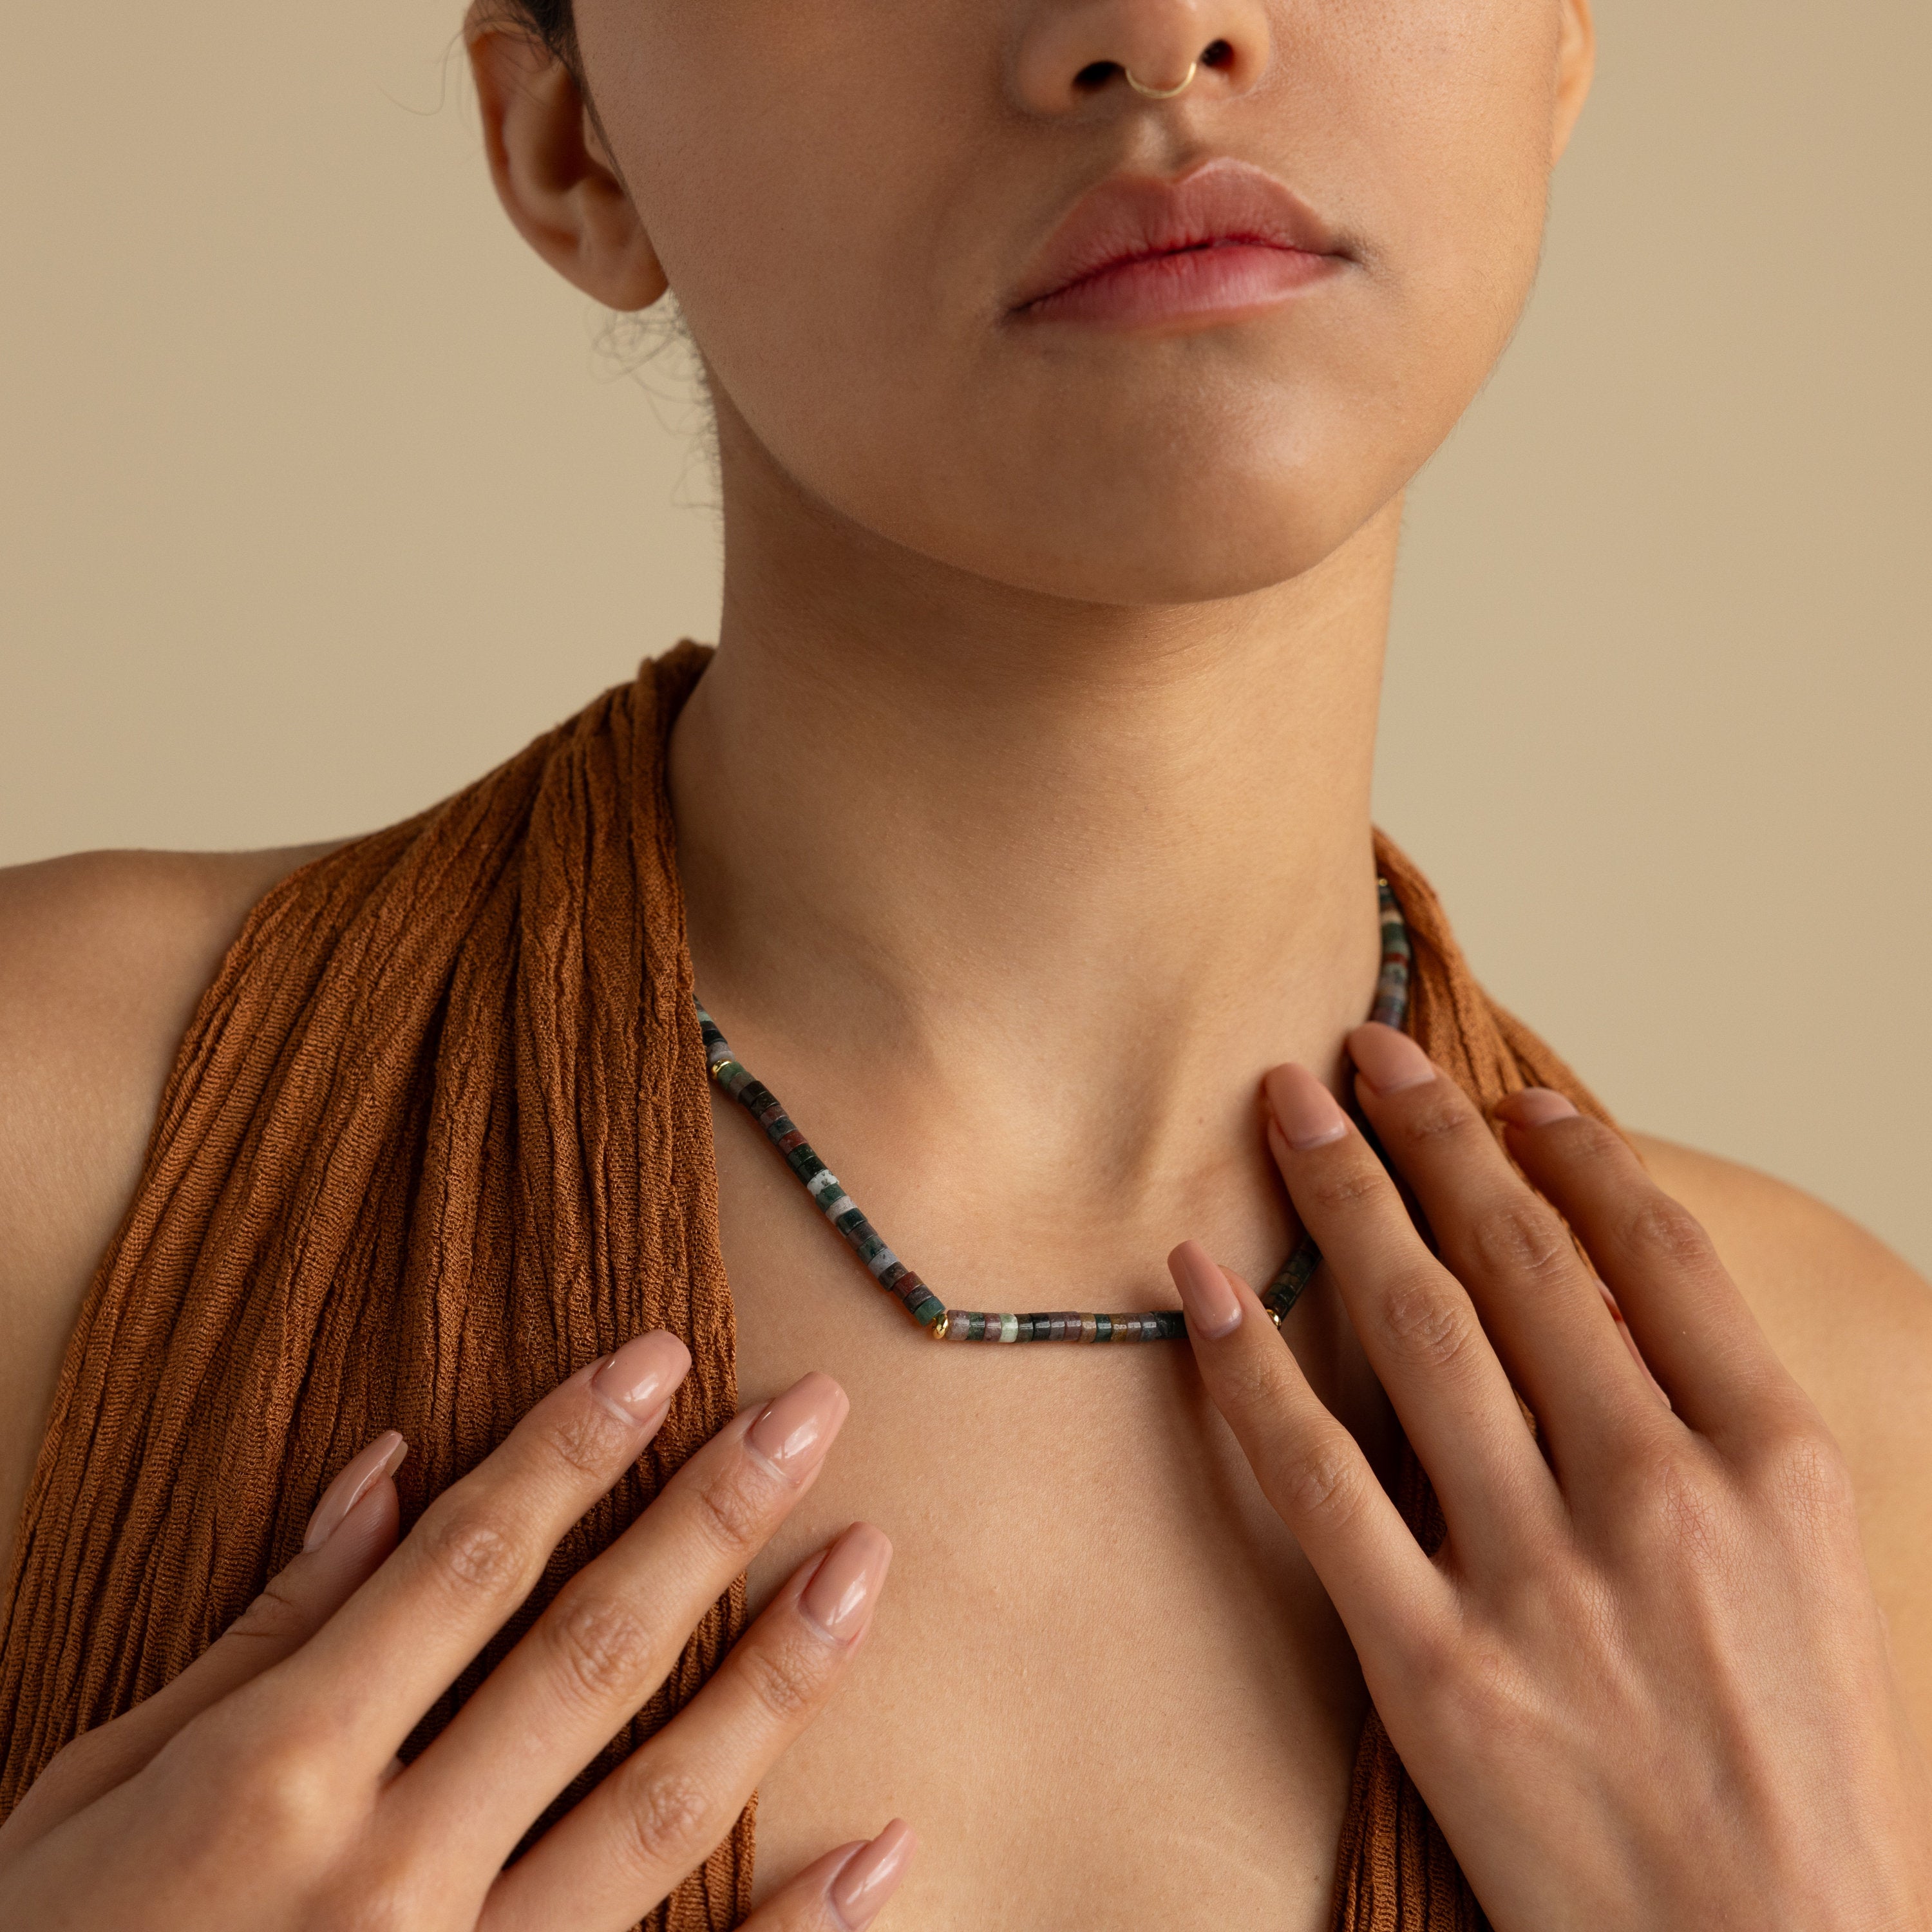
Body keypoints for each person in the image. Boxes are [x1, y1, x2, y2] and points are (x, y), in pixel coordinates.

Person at [1, 0, 1927, 1926]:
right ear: (573, 143)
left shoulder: (1848, 1450)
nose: (1163, 29)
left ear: (1562, 31)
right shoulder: (60, 1149)